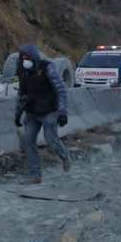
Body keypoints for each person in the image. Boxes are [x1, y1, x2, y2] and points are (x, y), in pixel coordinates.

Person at [14, 44, 70, 184]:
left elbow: (61, 90)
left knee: (50, 139)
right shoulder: (22, 71)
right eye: (23, 58)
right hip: (32, 112)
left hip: (50, 110)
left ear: (34, 57)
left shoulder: (47, 68)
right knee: (28, 141)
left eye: (27, 57)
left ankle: (64, 156)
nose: (25, 60)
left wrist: (63, 112)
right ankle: (35, 175)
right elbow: (21, 95)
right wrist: (17, 114)